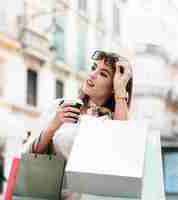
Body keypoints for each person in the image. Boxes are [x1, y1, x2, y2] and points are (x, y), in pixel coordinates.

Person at [24, 50, 133, 199]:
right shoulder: (59, 106)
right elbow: (28, 154)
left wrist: (121, 89)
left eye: (103, 74)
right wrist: (53, 125)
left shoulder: (112, 121)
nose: (92, 75)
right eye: (93, 68)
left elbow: (122, 150)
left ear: (113, 87)